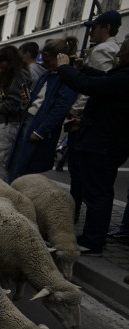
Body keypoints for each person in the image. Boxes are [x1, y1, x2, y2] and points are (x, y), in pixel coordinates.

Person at [57, 36, 129, 256]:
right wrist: (83, 68)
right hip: (103, 140)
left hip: (104, 144)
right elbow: (104, 78)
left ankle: (93, 240)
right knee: (96, 191)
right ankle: (91, 236)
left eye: (123, 49)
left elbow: (91, 86)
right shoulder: (121, 75)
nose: (118, 53)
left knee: (97, 194)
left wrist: (65, 68)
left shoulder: (126, 77)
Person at [67, 10, 122, 222]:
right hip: (100, 123)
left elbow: (91, 90)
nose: (90, 32)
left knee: (81, 174)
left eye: (94, 28)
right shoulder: (112, 49)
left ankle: (75, 215)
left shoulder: (102, 50)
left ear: (106, 28)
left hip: (87, 122)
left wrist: (75, 113)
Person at [7, 38, 79, 182]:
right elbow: (38, 97)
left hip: (37, 123)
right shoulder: (48, 74)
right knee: (17, 164)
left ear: (59, 58)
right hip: (30, 119)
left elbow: (61, 107)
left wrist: (41, 130)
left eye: (47, 59)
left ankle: (17, 197)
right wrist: (27, 102)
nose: (44, 63)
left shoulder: (66, 77)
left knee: (24, 167)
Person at [0, 45, 32, 181]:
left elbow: (15, 102)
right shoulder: (10, 76)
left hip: (7, 124)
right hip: (0, 122)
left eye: (1, 62)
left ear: (9, 61)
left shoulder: (19, 76)